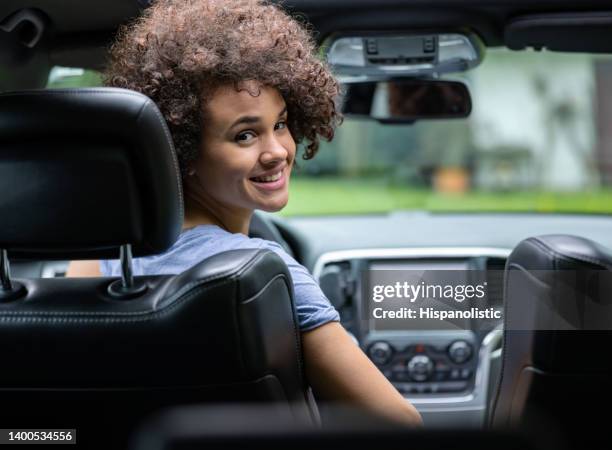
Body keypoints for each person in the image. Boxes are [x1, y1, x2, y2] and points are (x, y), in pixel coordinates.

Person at [66, 0, 422, 427]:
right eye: (245, 134)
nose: (276, 152)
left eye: (282, 124)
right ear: (183, 150)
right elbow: (400, 426)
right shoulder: (268, 277)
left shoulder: (98, 262)